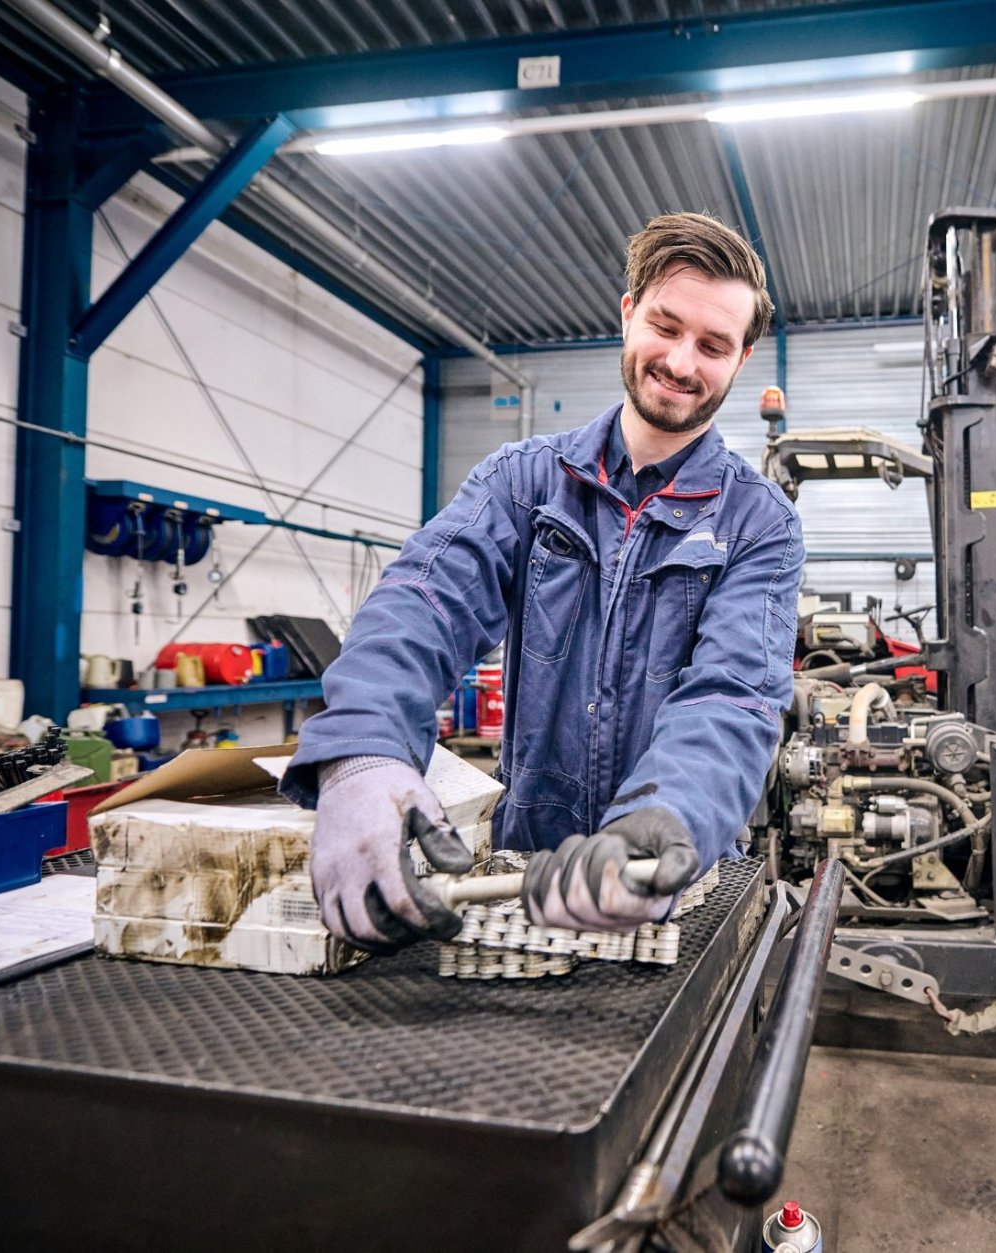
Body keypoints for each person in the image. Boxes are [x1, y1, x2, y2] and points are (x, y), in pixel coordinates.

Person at [279, 212, 804, 952]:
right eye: (665, 327)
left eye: (713, 346)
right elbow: (421, 603)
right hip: (521, 875)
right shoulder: (522, 482)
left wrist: (665, 820)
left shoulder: (759, 522)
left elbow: (733, 694)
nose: (682, 362)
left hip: (669, 881)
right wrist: (364, 750)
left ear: (741, 359)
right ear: (628, 314)